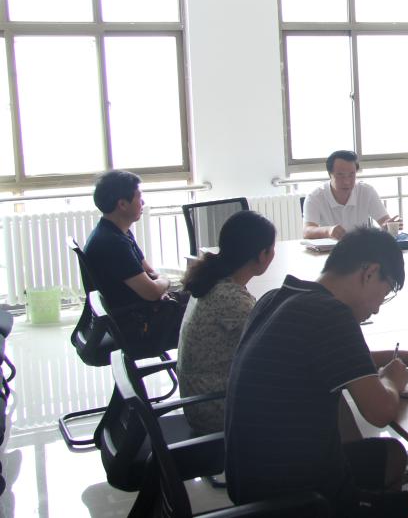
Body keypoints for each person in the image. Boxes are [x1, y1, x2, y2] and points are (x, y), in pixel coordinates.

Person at [224, 227, 408, 518]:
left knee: (392, 455)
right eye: (385, 293)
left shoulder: (276, 298)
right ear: (369, 273)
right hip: (304, 503)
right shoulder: (331, 314)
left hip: (252, 488)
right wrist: (392, 380)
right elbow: (380, 412)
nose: (377, 309)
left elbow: (330, 359)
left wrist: (402, 356)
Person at [178, 210, 276, 434]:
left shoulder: (213, 279)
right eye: (272, 249)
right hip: (214, 409)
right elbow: (274, 345)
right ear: (262, 255)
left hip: (201, 398)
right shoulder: (230, 299)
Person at [84, 170, 186, 355]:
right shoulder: (112, 243)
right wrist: (164, 281)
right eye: (139, 197)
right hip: (136, 324)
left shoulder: (118, 232)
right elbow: (152, 291)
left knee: (199, 295)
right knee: (208, 310)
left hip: (138, 311)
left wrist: (159, 286)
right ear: (122, 204)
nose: (143, 202)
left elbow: (148, 270)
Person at [303, 150, 399, 241]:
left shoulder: (366, 191)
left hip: (360, 249)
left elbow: (384, 221)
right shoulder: (315, 197)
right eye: (340, 175)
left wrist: (388, 226)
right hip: (330, 250)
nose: (347, 181)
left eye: (351, 175)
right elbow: (307, 231)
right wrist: (328, 231)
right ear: (330, 174)